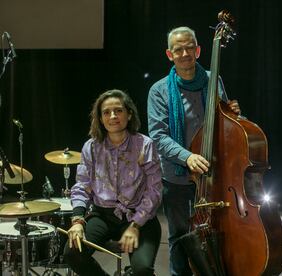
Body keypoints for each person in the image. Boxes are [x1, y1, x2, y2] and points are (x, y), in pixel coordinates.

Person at [147, 26, 240, 276]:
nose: (185, 53)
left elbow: (223, 125)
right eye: (179, 49)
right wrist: (187, 157)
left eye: (190, 47)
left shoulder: (214, 79)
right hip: (177, 176)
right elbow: (158, 136)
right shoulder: (158, 90)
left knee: (217, 233)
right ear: (170, 54)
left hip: (213, 175)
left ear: (198, 50)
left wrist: (233, 116)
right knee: (178, 237)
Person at [63, 89, 162, 276]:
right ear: (100, 118)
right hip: (103, 215)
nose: (113, 116)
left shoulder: (145, 145)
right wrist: (77, 220)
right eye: (106, 112)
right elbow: (82, 186)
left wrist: (135, 226)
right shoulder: (91, 147)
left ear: (129, 114)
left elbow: (155, 190)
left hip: (140, 216)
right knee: (72, 253)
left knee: (142, 270)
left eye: (119, 110)